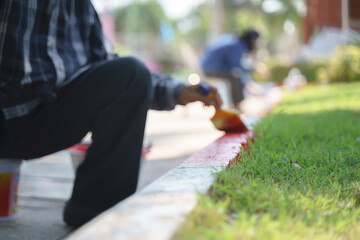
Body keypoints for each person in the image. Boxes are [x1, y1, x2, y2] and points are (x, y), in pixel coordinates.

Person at [0, 1, 222, 227]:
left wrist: (178, 92)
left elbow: (109, 66)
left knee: (131, 73)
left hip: (44, 117)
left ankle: (95, 211)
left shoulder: (81, 7)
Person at [200, 29, 266, 110]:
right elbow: (235, 67)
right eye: (256, 41)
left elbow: (236, 66)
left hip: (211, 66)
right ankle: (237, 107)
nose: (256, 44)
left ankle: (237, 106)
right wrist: (253, 68)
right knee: (235, 76)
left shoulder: (236, 43)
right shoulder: (237, 45)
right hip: (210, 68)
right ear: (252, 39)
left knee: (236, 74)